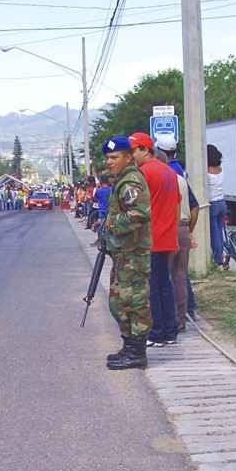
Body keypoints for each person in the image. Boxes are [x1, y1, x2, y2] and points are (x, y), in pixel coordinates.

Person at [102, 134, 152, 371]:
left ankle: (137, 352)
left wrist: (112, 224)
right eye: (108, 158)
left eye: (114, 157)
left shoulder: (130, 181)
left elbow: (140, 213)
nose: (109, 162)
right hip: (124, 254)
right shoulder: (121, 179)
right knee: (119, 304)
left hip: (134, 254)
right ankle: (129, 346)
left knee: (134, 303)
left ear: (128, 157)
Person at [130, 132, 180, 347]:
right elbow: (177, 206)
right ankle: (170, 330)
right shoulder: (169, 172)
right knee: (164, 285)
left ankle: (157, 332)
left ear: (144, 149)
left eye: (133, 151)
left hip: (151, 239)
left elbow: (136, 208)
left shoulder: (143, 173)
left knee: (152, 287)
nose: (131, 156)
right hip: (167, 237)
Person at [156, 134, 199, 331]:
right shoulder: (181, 176)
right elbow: (194, 207)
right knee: (180, 275)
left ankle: (166, 321)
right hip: (182, 227)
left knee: (162, 275)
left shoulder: (161, 177)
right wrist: (188, 230)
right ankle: (182, 318)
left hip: (166, 229)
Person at [207, 145, 228, 269]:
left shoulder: (207, 171)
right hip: (222, 202)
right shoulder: (220, 169)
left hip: (213, 204)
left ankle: (218, 260)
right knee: (220, 231)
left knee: (214, 234)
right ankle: (224, 253)